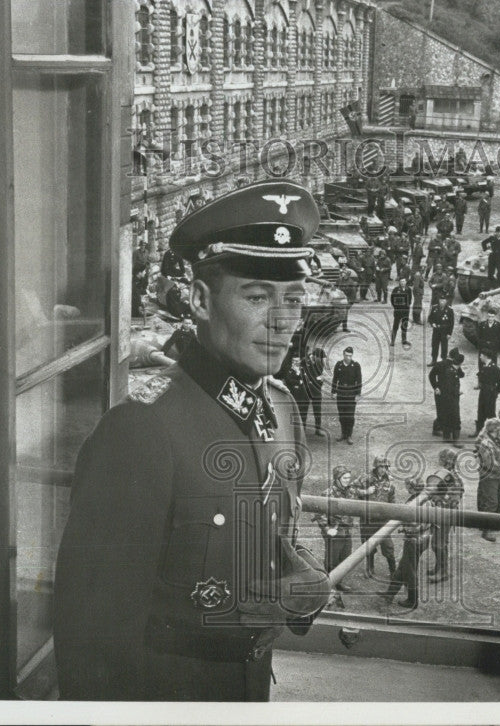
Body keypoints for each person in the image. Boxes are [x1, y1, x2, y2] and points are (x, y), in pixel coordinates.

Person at [54, 180, 332, 702]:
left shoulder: (279, 406)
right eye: (256, 297)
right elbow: (91, 647)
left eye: (293, 299)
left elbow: (257, 539)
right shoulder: (139, 432)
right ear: (201, 301)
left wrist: (302, 578)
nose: (283, 322)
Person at [382, 475, 432, 609]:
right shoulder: (425, 499)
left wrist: (405, 528)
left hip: (414, 541)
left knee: (409, 571)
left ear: (411, 488)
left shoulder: (416, 502)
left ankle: (412, 600)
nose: (406, 489)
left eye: (407, 487)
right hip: (423, 539)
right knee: (403, 568)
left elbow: (416, 524)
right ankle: (389, 594)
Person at [314, 466, 359, 594]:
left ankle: (338, 582)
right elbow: (319, 513)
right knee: (331, 560)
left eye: (349, 478)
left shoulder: (351, 491)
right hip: (334, 532)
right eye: (344, 478)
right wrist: (327, 529)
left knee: (344, 558)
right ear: (337, 479)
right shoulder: (328, 493)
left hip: (347, 531)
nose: (347, 480)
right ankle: (326, 585)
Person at [426, 448, 464, 583]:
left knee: (439, 544)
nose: (440, 461)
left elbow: (454, 499)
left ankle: (443, 572)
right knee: (437, 543)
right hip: (440, 513)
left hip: (445, 515)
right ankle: (439, 568)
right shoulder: (446, 474)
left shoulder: (453, 478)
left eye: (442, 459)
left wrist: (437, 500)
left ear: (447, 461)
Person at [358, 456, 397, 578]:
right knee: (368, 547)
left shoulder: (390, 482)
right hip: (367, 520)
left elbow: (392, 501)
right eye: (381, 466)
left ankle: (393, 571)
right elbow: (353, 491)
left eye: (386, 467)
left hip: (383, 521)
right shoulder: (365, 479)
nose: (383, 469)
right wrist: (365, 492)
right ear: (376, 466)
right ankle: (370, 568)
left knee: (388, 547)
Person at [476, 418, 500, 541]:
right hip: (490, 476)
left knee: (486, 499)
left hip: (493, 476)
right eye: (499, 429)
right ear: (494, 429)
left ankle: (482, 524)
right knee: (491, 502)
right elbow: (490, 464)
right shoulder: (486, 444)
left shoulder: (495, 440)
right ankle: (486, 531)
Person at [429, 348, 465, 443]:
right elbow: (462, 375)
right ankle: (446, 433)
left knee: (441, 410)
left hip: (440, 391)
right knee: (447, 411)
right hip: (446, 392)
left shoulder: (440, 364)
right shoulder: (453, 366)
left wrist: (436, 387)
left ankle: (438, 429)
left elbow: (431, 375)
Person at [331, 347, 362, 444]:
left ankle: (349, 435)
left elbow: (359, 381)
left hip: (351, 394)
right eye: (346, 355)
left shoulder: (356, 365)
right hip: (341, 393)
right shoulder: (339, 365)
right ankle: (343, 433)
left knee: (350, 416)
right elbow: (335, 379)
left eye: (350, 355)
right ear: (343, 355)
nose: (348, 357)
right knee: (342, 415)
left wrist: (358, 394)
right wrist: (333, 392)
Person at [473, 351, 500, 436]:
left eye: (481, 355)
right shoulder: (484, 366)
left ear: (486, 356)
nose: (480, 357)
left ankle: (494, 432)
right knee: (480, 411)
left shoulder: (494, 368)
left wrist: (496, 392)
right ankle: (479, 431)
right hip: (483, 391)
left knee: (490, 412)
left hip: (490, 392)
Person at [303, 347, 326, 437]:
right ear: (314, 356)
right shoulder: (305, 361)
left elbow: (321, 377)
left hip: (316, 390)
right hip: (306, 389)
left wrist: (318, 380)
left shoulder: (319, 363)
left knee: (317, 410)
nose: (321, 361)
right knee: (304, 410)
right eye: (319, 359)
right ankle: (303, 430)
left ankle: (317, 429)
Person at [282, 355, 311, 427]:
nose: (295, 362)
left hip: (304, 395)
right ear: (291, 361)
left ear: (300, 361)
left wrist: (300, 378)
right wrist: (299, 381)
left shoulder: (303, 369)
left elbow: (307, 380)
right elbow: (288, 380)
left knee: (303, 414)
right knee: (294, 414)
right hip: (294, 395)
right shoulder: (288, 369)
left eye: (297, 361)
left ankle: (303, 431)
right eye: (294, 361)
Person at [427, 294, 455, 366]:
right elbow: (430, 318)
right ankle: (434, 360)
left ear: (446, 301)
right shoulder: (434, 308)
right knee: (434, 345)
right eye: (441, 300)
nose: (442, 302)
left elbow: (451, 323)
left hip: (444, 331)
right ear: (439, 301)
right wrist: (432, 323)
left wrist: (449, 333)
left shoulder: (449, 310)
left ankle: (444, 361)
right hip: (436, 330)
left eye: (443, 300)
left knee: (444, 346)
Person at [389, 279, 413, 348]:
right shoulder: (396, 289)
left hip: (405, 311)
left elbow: (410, 299)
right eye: (401, 281)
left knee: (404, 325)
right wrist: (396, 307)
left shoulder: (408, 289)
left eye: (404, 281)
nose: (403, 283)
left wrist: (407, 306)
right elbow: (392, 299)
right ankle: (392, 341)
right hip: (398, 310)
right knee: (395, 326)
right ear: (399, 282)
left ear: (406, 282)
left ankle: (404, 340)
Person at [336, 262, 358, 332]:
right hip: (339, 299)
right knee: (336, 314)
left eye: (344, 273)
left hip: (347, 300)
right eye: (342, 273)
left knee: (344, 314)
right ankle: (334, 327)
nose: (342, 274)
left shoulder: (351, 283)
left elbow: (353, 296)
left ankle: (344, 327)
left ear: (347, 275)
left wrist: (349, 304)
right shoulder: (339, 280)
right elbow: (335, 287)